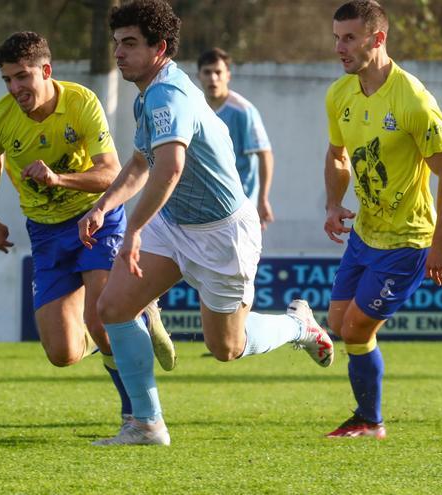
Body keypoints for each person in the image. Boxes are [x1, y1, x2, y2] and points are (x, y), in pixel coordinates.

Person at [78, 0, 334, 447]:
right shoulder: (150, 93)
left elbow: (170, 168)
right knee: (113, 308)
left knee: (226, 349)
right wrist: (104, 205)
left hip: (222, 235)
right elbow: (142, 160)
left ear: (159, 47)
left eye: (130, 43)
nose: (119, 53)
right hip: (174, 223)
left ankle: (300, 326)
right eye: (116, 43)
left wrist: (133, 229)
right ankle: (146, 423)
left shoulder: (168, 94)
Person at [0, 31, 177, 427]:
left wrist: (59, 179)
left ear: (46, 71)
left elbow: (111, 173)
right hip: (46, 232)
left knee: (102, 321)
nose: (15, 88)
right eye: (7, 80)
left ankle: (137, 416)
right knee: (62, 353)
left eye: (22, 76)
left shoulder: (81, 102)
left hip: (96, 218)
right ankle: (136, 316)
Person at [323, 0, 442, 439]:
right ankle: (368, 417)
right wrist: (333, 204)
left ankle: (370, 420)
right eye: (336, 38)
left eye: (349, 38)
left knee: (354, 329)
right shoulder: (339, 95)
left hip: (409, 240)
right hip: (366, 233)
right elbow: (336, 155)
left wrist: (440, 245)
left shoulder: (413, 100)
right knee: (336, 322)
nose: (339, 48)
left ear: (377, 38)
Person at [197, 48, 275, 230]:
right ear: (199, 76)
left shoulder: (244, 111)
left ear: (228, 76)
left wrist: (263, 199)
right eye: (207, 72)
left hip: (240, 206)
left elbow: (265, 155)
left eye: (218, 72)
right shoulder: (195, 109)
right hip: (205, 209)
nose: (213, 78)